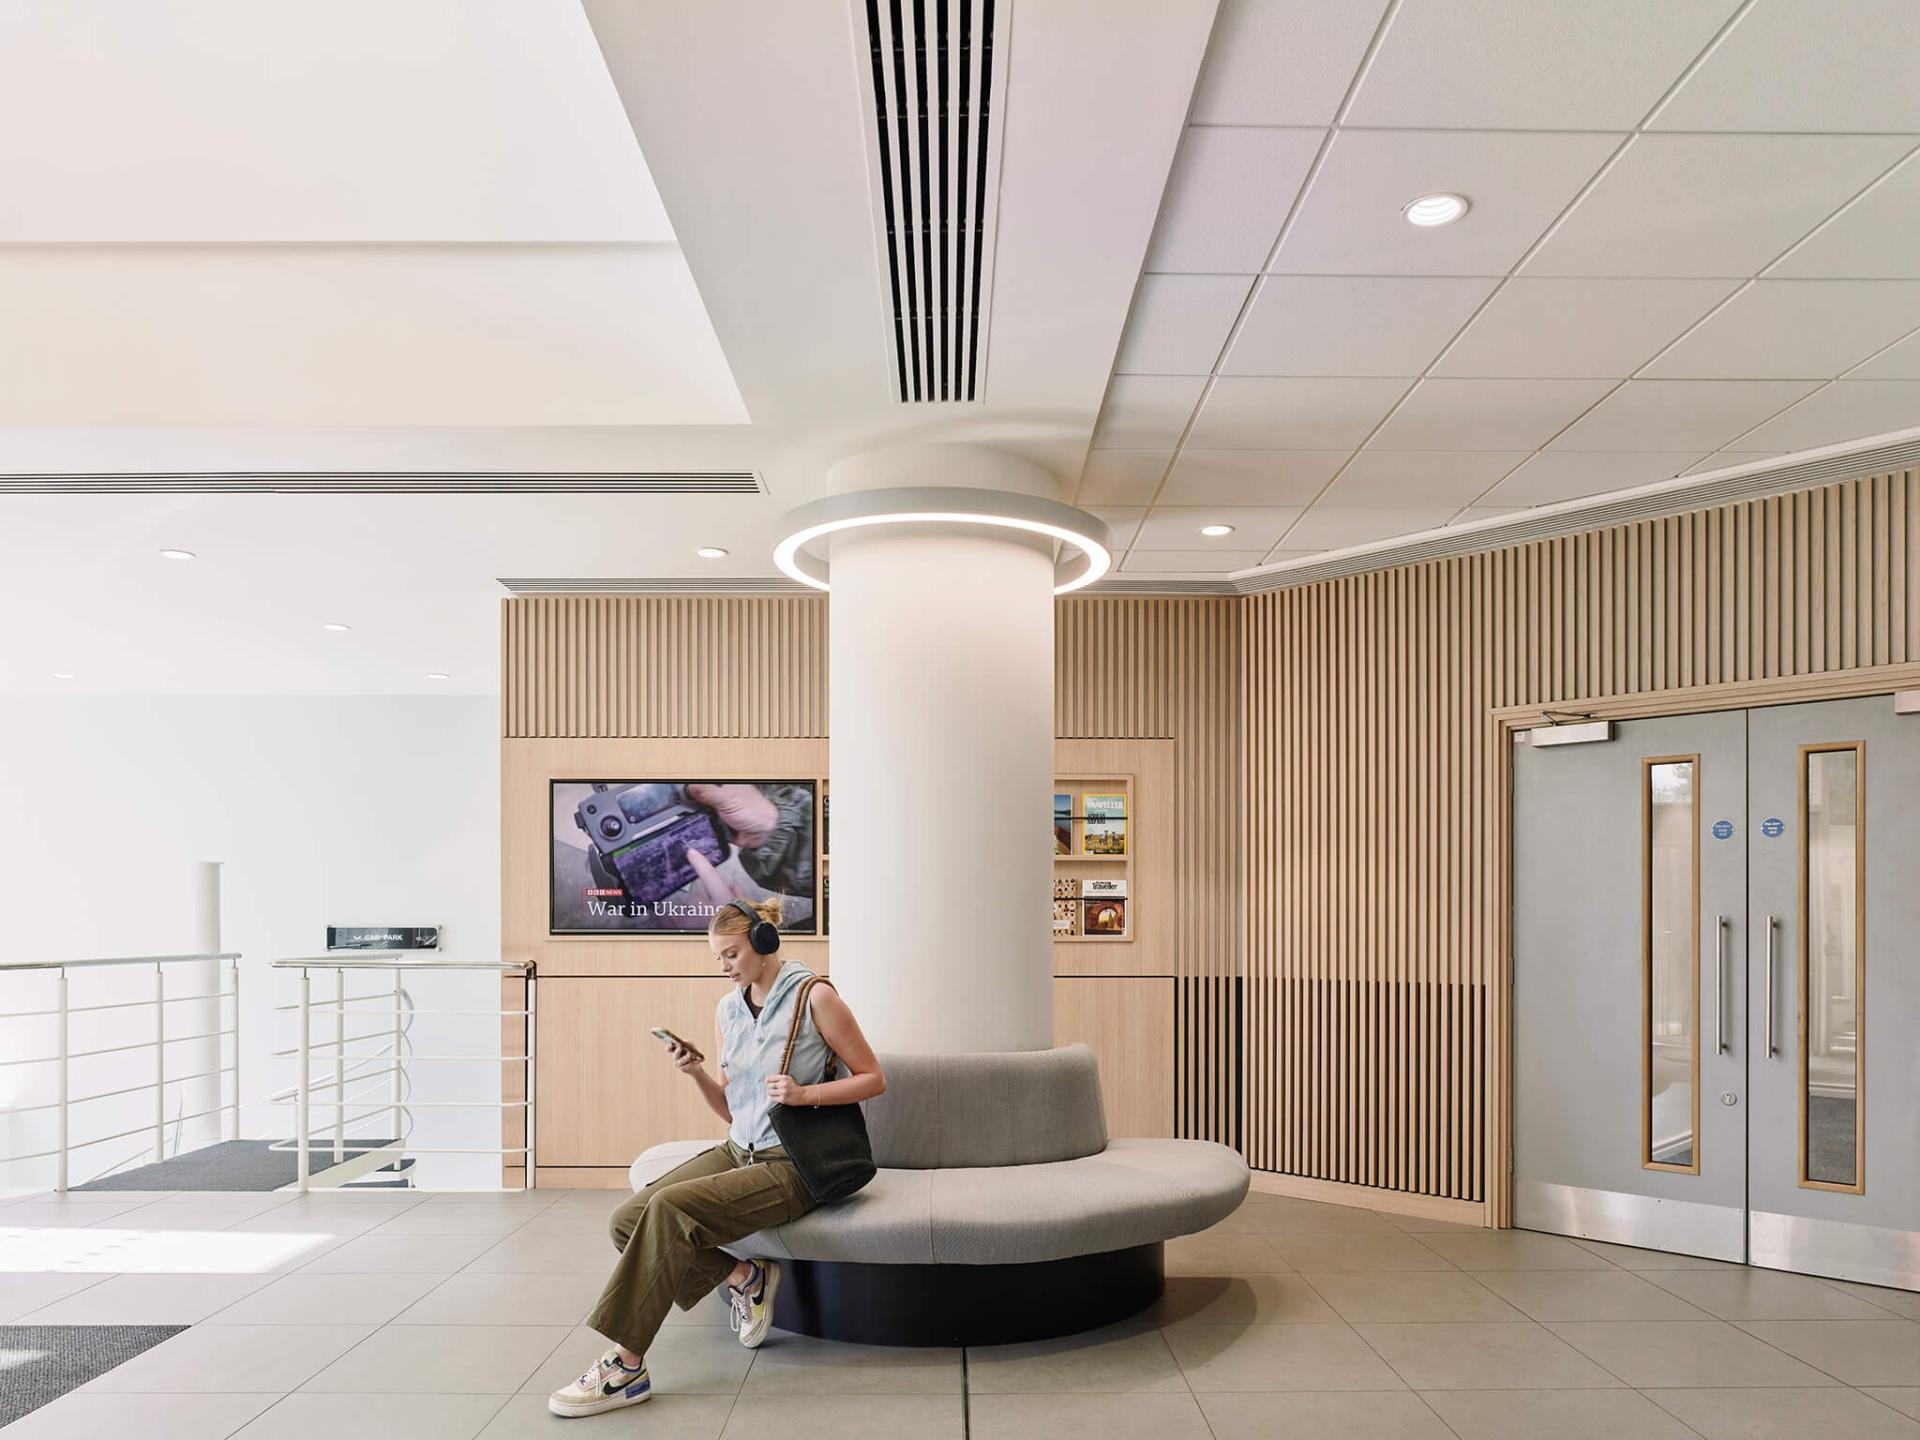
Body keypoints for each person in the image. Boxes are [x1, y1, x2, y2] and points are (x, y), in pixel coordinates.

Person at [548, 895, 885, 1419]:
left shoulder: (814, 998)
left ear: (763, 943)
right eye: (718, 958)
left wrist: (804, 1095)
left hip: (792, 1163)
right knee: (627, 1219)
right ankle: (745, 1278)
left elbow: (874, 1078)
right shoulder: (728, 1009)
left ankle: (626, 1366)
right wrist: (696, 1074)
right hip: (738, 1149)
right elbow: (732, 1109)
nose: (725, 967)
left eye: (731, 955)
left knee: (669, 1212)